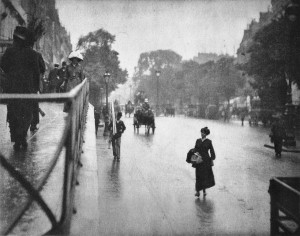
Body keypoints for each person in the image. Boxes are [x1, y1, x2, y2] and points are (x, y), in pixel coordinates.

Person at [0, 26, 43, 150]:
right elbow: (36, 72)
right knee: (27, 113)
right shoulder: (33, 54)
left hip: (12, 88)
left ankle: (16, 138)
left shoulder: (9, 51)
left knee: (13, 112)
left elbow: (3, 66)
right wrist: (36, 89)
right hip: (28, 89)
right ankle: (22, 136)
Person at [187, 127, 216, 197]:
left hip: (206, 161)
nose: (202, 134)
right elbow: (195, 149)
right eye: (201, 132)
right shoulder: (198, 140)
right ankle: (197, 191)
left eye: (203, 132)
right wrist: (192, 153)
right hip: (198, 160)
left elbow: (212, 151)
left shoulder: (209, 142)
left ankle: (204, 191)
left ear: (206, 134)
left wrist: (212, 158)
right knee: (198, 176)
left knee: (204, 176)